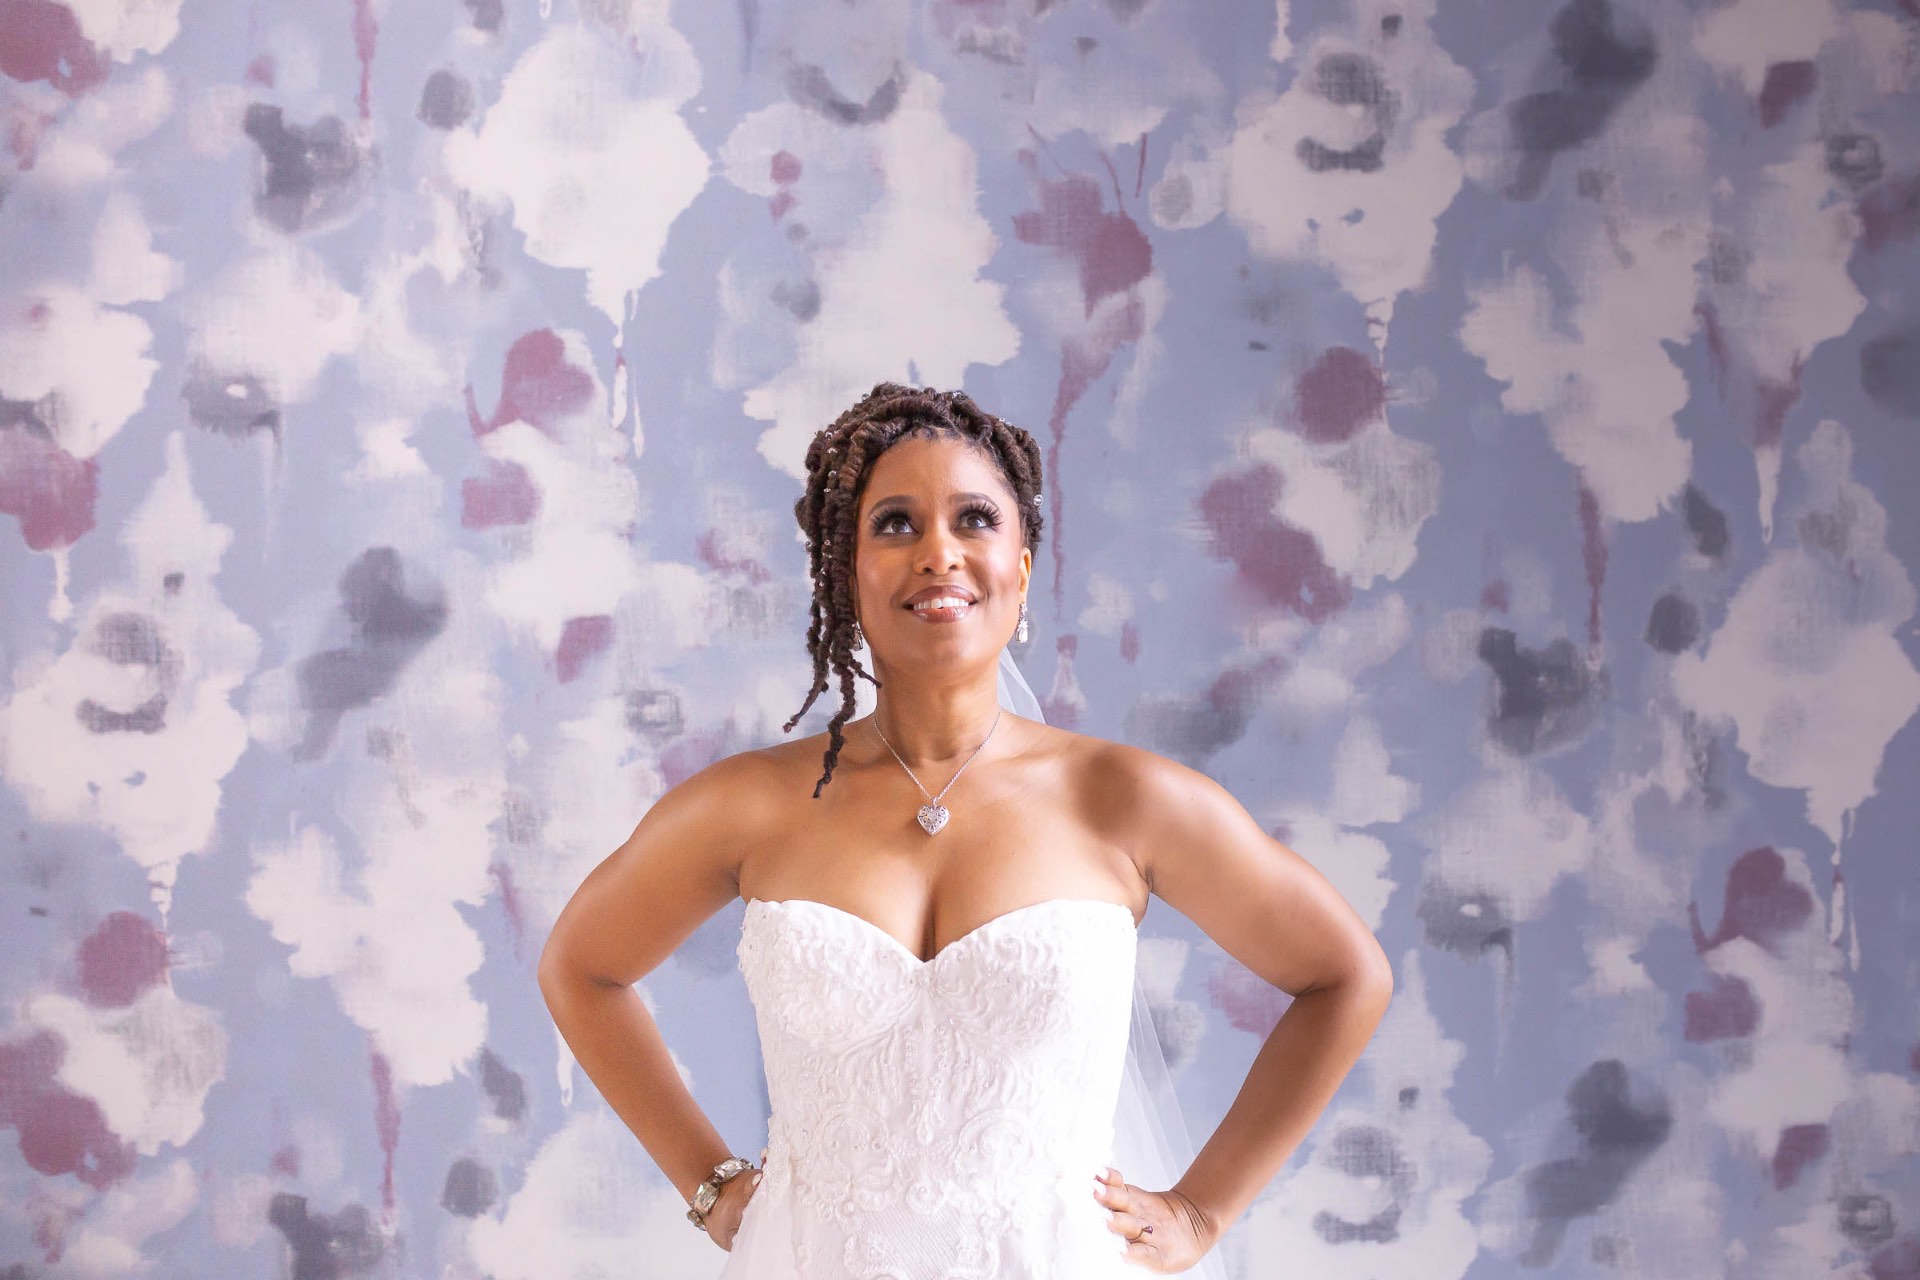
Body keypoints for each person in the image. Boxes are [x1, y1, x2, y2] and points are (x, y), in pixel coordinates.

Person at [537, 384, 1393, 1277]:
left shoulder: (1124, 798)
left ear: (1020, 571)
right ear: (846, 573)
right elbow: (581, 967)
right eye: (896, 524)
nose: (938, 553)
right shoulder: (748, 805)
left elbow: (1344, 976)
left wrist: (1200, 1211)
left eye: (975, 520)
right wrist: (709, 1186)